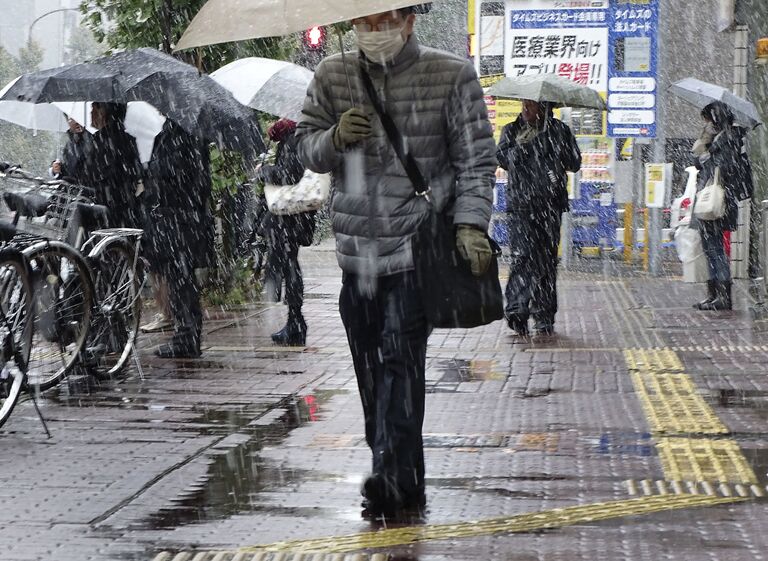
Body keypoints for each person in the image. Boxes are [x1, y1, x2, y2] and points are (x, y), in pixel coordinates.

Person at [296, 5, 496, 516]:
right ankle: (396, 466)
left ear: (409, 21)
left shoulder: (451, 75)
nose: (375, 30)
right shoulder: (333, 74)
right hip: (354, 255)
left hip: (414, 250)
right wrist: (334, 137)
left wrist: (470, 225)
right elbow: (305, 150)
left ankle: (392, 478)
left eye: (387, 20)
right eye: (365, 21)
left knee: (399, 364)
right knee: (370, 372)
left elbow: (475, 160)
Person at [496, 100, 581, 337]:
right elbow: (501, 157)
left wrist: (554, 147)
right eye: (524, 105)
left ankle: (544, 314)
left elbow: (575, 162)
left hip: (550, 206)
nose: (525, 110)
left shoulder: (559, 130)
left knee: (545, 261)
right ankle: (516, 312)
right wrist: (523, 149)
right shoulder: (511, 130)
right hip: (521, 206)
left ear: (544, 109)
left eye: (531, 106)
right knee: (522, 258)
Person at [143, 119, 214, 358]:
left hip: (181, 219)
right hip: (175, 218)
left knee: (182, 279)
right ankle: (185, 335)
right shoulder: (172, 131)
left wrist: (161, 182)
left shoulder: (186, 134)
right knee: (178, 279)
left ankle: (187, 337)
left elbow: (194, 179)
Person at [253, 118, 316, 346]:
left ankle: (296, 323)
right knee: (289, 265)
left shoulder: (294, 138)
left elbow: (290, 174)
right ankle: (295, 321)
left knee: (290, 266)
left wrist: (266, 170)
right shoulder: (292, 136)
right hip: (292, 215)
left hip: (290, 216)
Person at [692, 101, 753, 311]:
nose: (705, 123)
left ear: (715, 117)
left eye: (707, 119)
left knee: (716, 249)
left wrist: (707, 158)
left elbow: (725, 168)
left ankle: (723, 296)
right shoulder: (718, 138)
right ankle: (713, 294)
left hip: (719, 200)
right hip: (711, 198)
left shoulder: (729, 138)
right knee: (710, 248)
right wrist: (705, 147)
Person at [83, 102, 143, 229]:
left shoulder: (101, 140)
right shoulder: (127, 139)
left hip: (107, 206)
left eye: (92, 109)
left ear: (102, 112)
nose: (90, 113)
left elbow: (92, 173)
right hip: (125, 207)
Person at [51, 117, 93, 182]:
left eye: (79, 118)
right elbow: (67, 170)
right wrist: (56, 169)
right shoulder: (68, 144)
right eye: (72, 119)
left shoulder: (94, 140)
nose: (77, 122)